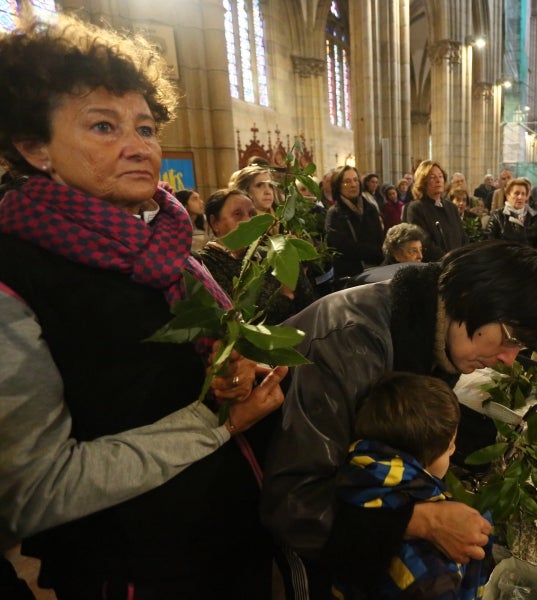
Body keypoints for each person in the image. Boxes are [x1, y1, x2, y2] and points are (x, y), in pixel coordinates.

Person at [0, 15, 288, 597]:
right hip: (135, 569)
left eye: (147, 128)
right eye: (104, 126)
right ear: (35, 147)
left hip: (232, 530)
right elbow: (32, 492)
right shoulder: (15, 278)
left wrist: (232, 372)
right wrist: (216, 422)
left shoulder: (162, 245)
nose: (139, 148)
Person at [261, 240, 537, 597]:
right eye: (511, 338)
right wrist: (425, 521)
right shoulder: (352, 340)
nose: (509, 360)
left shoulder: (434, 327)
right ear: (470, 296)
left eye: (521, 348)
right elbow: (293, 506)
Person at [326, 372, 493, 599]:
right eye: (450, 446)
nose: (454, 450)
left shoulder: (357, 473)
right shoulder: (433, 567)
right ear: (427, 459)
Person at [196, 189, 316, 324]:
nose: (248, 220)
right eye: (237, 214)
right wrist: (285, 295)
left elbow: (308, 304)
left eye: (252, 214)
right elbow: (240, 319)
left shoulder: (271, 254)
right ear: (214, 223)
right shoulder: (205, 263)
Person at [326, 165, 385, 282]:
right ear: (338, 186)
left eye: (355, 180)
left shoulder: (370, 208)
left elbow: (380, 239)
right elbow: (341, 248)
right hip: (349, 277)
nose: (353, 185)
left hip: (375, 272)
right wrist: (371, 251)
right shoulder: (335, 213)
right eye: (347, 181)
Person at [404, 159, 467, 262]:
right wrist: (447, 261)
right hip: (434, 265)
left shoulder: (451, 207)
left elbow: (462, 237)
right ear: (423, 182)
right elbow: (424, 243)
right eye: (432, 177)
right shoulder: (416, 208)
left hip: (457, 265)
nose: (438, 180)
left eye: (440, 176)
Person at [485, 177, 537, 251]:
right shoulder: (497, 216)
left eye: (523, 194)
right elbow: (489, 242)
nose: (520, 197)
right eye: (516, 193)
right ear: (507, 195)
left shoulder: (535, 216)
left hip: (531, 256)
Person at [175, 188, 208, 252]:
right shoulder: (174, 225)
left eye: (199, 198)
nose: (201, 202)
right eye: (195, 199)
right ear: (183, 204)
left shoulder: (205, 221)